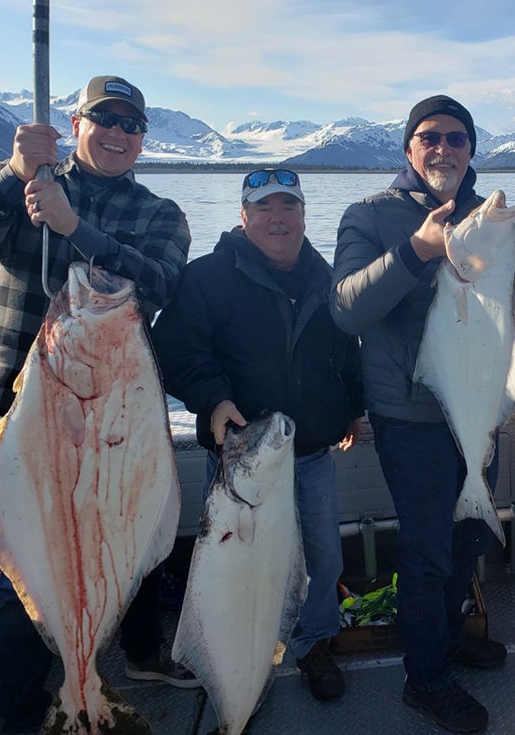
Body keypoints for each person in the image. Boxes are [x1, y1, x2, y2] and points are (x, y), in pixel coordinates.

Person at [0, 75, 194, 732]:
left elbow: (161, 283)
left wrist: (75, 227)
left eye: (132, 124)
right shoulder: (24, 185)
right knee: (24, 571)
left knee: (129, 545)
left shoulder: (161, 213)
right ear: (76, 123)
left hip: (116, 415)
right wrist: (12, 175)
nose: (117, 132)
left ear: (142, 138)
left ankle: (130, 661)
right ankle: (28, 715)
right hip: (27, 412)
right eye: (103, 117)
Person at [331, 95, 515, 733]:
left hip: (479, 404)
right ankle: (425, 680)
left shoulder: (493, 219)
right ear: (408, 149)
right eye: (429, 137)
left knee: (473, 530)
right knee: (425, 549)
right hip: (411, 414)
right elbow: (344, 309)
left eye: (456, 138)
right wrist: (416, 253)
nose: (443, 148)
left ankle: (447, 636)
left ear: (471, 150)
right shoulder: (368, 216)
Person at [151, 168, 363, 703]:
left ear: (302, 216)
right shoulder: (206, 278)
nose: (277, 218)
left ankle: (313, 643)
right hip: (239, 459)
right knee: (233, 565)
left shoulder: (327, 275)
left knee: (324, 560)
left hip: (310, 451)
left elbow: (345, 352)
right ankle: (237, 653)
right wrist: (214, 399)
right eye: (264, 208)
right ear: (243, 217)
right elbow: (174, 351)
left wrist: (350, 407)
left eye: (288, 207)